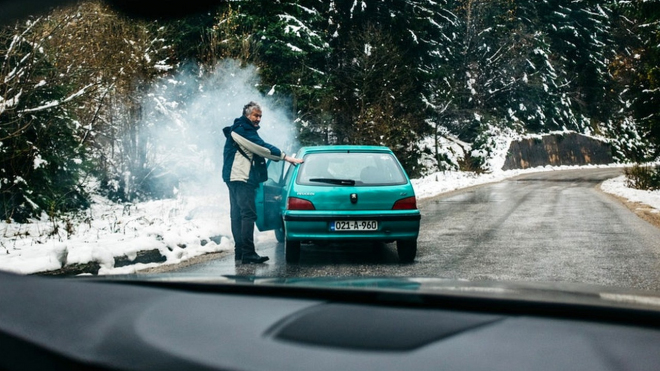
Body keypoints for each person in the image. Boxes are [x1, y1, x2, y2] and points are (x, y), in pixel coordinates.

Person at [222, 102, 303, 264]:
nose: (258, 119)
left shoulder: (241, 129)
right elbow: (261, 148)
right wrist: (285, 157)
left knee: (238, 215)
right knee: (247, 214)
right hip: (241, 178)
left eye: (260, 116)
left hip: (235, 177)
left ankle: (241, 253)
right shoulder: (241, 130)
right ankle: (248, 253)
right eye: (255, 116)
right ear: (247, 115)